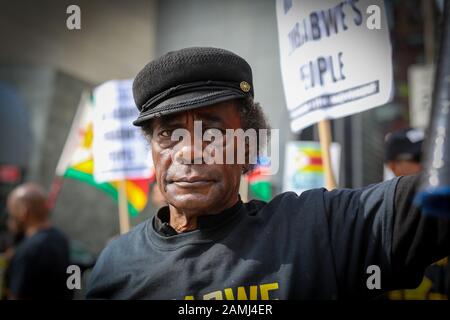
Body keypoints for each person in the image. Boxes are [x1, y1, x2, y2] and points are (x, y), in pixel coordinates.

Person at [86, 47, 450, 300]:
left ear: (248, 148)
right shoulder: (115, 265)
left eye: (211, 132)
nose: (188, 150)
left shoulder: (320, 229)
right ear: (153, 150)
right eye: (168, 133)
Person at [384, 128, 449, 300]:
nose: (427, 164)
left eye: (431, 155)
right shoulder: (378, 221)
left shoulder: (445, 206)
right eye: (417, 158)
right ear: (392, 166)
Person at [5, 182, 71, 300]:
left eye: (12, 211)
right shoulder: (61, 239)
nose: (10, 218)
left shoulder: (27, 250)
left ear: (23, 212)